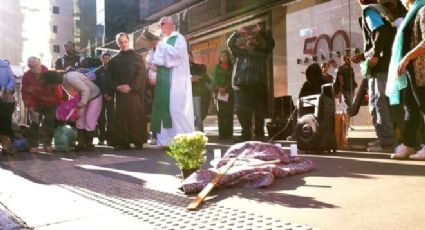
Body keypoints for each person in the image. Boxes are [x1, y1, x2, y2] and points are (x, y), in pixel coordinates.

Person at [351, 0, 398, 152]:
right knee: (380, 102)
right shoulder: (381, 10)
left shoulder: (369, 10)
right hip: (387, 62)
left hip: (380, 65)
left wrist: (375, 55)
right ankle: (385, 139)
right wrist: (364, 55)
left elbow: (380, 31)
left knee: (378, 103)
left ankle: (387, 142)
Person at [387, 0, 425, 160]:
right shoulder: (412, 13)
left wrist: (406, 58)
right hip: (411, 71)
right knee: (411, 107)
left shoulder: (423, 9)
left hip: (421, 69)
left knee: (423, 107)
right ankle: (408, 144)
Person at [150, 17, 195, 147]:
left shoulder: (179, 38)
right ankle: (166, 141)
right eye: (160, 25)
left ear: (171, 25)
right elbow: (155, 60)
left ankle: (183, 139)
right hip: (164, 80)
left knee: (176, 109)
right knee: (164, 109)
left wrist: (160, 45)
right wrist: (153, 47)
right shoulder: (162, 41)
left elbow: (177, 55)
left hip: (177, 80)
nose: (161, 27)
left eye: (162, 24)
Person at [227, 24, 275, 141]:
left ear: (257, 41)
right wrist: (237, 32)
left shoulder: (261, 52)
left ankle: (259, 135)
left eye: (253, 38)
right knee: (242, 112)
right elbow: (230, 44)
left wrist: (262, 31)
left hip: (258, 86)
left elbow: (271, 43)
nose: (250, 40)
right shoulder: (240, 53)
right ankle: (246, 134)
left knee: (259, 112)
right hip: (243, 86)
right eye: (248, 39)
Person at [42, 70, 102, 151]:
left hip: (94, 96)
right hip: (83, 98)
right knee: (80, 120)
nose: (53, 86)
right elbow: (73, 94)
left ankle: (88, 144)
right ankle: (80, 143)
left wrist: (81, 103)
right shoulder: (62, 82)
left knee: (90, 119)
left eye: (52, 84)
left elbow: (85, 90)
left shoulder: (71, 78)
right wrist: (76, 105)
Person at [107, 32, 147, 149]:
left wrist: (131, 87)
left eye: (125, 42)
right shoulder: (114, 60)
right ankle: (123, 142)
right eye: (120, 42)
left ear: (128, 41)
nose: (123, 44)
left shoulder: (138, 57)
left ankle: (137, 140)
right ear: (117, 44)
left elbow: (141, 76)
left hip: (134, 94)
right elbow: (110, 77)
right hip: (121, 95)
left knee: (135, 116)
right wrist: (117, 87)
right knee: (121, 118)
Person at [21, 57, 62, 153]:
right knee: (34, 123)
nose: (36, 68)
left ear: (40, 63)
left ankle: (47, 143)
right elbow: (25, 92)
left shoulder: (49, 73)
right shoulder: (26, 76)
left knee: (50, 122)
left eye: (37, 65)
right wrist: (29, 106)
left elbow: (57, 89)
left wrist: (58, 102)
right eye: (32, 67)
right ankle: (33, 145)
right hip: (35, 103)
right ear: (29, 67)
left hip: (50, 102)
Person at [143, 29, 160, 145]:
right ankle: (154, 135)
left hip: (163, 83)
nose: (153, 42)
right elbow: (149, 67)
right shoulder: (150, 52)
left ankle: (161, 135)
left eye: (154, 39)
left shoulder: (163, 49)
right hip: (152, 86)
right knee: (154, 112)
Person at [213, 50, 234, 139]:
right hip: (220, 93)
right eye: (222, 56)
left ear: (228, 57)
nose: (223, 57)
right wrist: (219, 88)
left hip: (229, 92)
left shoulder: (231, 67)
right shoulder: (217, 67)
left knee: (229, 113)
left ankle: (229, 133)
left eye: (225, 56)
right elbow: (215, 79)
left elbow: (232, 78)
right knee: (221, 114)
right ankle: (222, 134)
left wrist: (226, 87)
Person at [189, 52, 212, 131]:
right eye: (186, 57)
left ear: (192, 58)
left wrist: (198, 77)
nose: (188, 59)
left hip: (196, 94)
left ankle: (199, 133)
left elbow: (207, 78)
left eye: (190, 57)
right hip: (185, 95)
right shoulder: (181, 69)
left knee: (198, 115)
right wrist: (189, 79)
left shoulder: (198, 67)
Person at [95, 53, 113, 146]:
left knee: (111, 118)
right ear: (101, 60)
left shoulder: (113, 71)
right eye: (104, 58)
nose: (106, 60)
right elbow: (96, 85)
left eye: (108, 58)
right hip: (101, 97)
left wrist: (109, 94)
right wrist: (104, 94)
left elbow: (115, 83)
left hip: (111, 97)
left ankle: (110, 138)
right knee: (101, 119)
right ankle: (101, 138)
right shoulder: (98, 71)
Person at [0, 59, 16, 155]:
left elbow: (12, 80)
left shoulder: (4, 65)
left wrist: (7, 90)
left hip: (5, 96)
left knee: (5, 122)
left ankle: (5, 146)